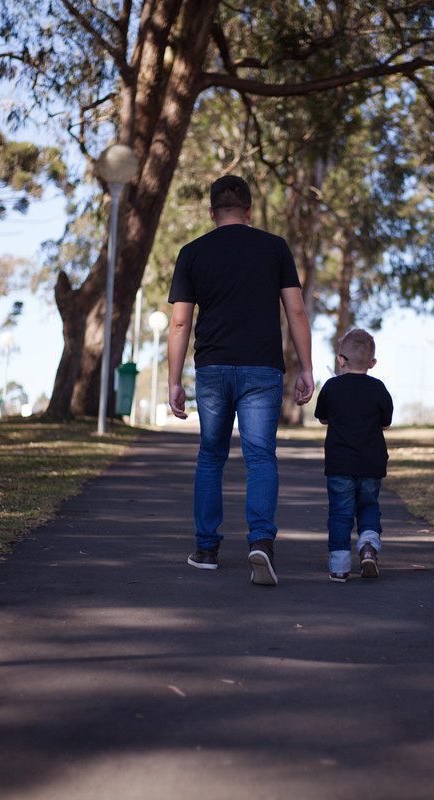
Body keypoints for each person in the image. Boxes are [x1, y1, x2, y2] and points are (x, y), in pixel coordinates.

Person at [166, 175, 314, 586]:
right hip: (262, 369)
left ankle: (207, 549)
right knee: (261, 457)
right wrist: (306, 367)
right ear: (250, 212)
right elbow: (296, 312)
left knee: (211, 456)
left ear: (211, 213)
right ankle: (261, 543)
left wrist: (174, 380)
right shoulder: (275, 248)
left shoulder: (192, 252)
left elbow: (180, 322)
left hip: (212, 369)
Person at [314, 329, 394, 583]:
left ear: (340, 360)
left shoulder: (331, 386)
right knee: (368, 506)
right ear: (372, 363)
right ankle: (368, 547)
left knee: (340, 512)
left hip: (340, 463)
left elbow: (323, 417)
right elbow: (385, 422)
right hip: (371, 463)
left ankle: (339, 565)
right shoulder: (379, 388)